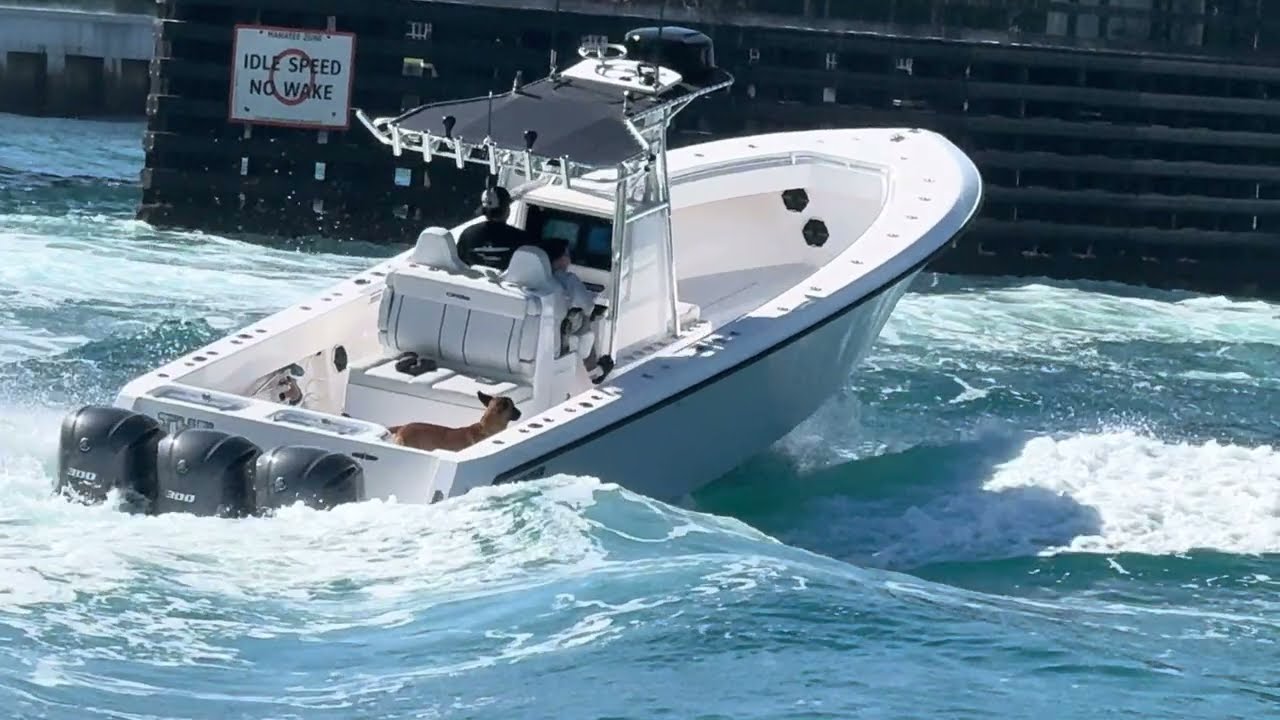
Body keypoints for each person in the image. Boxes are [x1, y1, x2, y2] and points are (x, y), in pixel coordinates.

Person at [455, 186, 541, 270]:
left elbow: (459, 264)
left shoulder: (467, 235)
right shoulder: (522, 239)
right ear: (507, 210)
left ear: (484, 212)